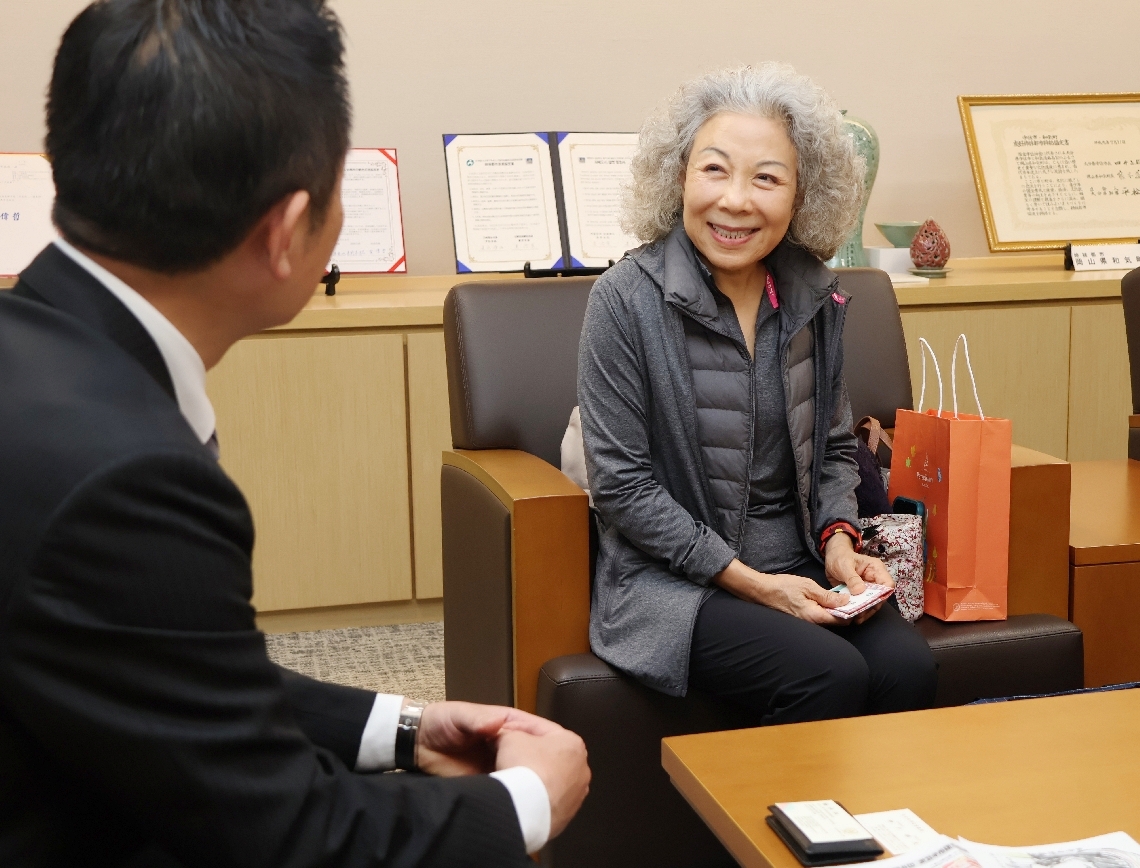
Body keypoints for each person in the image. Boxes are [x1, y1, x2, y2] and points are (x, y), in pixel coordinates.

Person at [0, 1, 588, 865]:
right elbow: (287, 836)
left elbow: (158, 663)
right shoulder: (127, 480)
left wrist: (400, 726)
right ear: (284, 232)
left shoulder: (40, 348)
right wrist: (526, 802)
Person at [578, 64, 937, 724]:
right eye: (714, 170)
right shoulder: (624, 301)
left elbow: (834, 449)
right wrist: (755, 585)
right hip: (673, 583)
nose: (736, 200)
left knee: (908, 669)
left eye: (766, 178)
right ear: (679, 177)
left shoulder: (813, 296)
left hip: (800, 560)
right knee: (826, 673)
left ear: (801, 197)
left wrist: (839, 546)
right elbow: (623, 488)